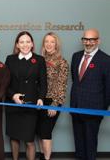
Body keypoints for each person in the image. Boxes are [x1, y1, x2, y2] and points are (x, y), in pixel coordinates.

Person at [4, 31, 47, 160]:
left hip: (31, 105)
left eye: (28, 41)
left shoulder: (39, 60)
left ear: (32, 44)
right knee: (14, 138)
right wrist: (13, 96)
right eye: (21, 42)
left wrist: (40, 98)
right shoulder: (10, 59)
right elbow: (5, 83)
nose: (25, 44)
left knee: (29, 140)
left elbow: (43, 83)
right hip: (13, 105)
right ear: (17, 44)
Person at [69, 29, 110, 160]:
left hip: (94, 110)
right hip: (76, 108)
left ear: (98, 41)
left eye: (91, 40)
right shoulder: (76, 56)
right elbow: (76, 81)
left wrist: (102, 109)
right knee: (79, 144)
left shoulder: (105, 60)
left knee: (90, 145)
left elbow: (109, 87)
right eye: (85, 39)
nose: (88, 42)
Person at [37, 32, 69, 160]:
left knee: (45, 133)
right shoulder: (39, 60)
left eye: (52, 42)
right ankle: (42, 156)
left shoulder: (62, 62)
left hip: (52, 101)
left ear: (56, 45)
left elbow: (62, 85)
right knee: (39, 132)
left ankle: (47, 158)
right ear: (43, 44)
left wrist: (55, 104)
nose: (49, 44)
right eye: (46, 41)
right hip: (39, 100)